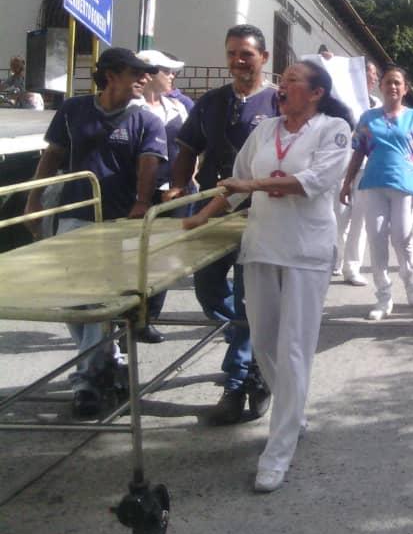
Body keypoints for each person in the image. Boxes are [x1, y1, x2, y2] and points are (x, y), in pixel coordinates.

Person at [184, 61, 351, 493]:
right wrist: (199, 217)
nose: (283, 85)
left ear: (316, 92)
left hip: (305, 251)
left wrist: (250, 187)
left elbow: (313, 180)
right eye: (284, 79)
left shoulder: (333, 129)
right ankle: (293, 415)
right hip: (261, 246)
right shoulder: (265, 130)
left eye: (294, 79)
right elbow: (233, 182)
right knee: (262, 342)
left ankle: (277, 451)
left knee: (295, 348)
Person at [23, 48, 167, 417]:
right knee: (75, 302)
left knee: (100, 304)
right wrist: (33, 200)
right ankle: (110, 361)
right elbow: (52, 155)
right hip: (74, 216)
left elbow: (150, 164)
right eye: (135, 72)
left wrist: (142, 201)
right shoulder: (74, 111)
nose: (144, 79)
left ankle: (86, 381)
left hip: (115, 223)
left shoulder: (146, 119)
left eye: (146, 73)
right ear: (111, 75)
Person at [167, 24, 277, 424]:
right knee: (209, 291)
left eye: (246, 54)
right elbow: (187, 148)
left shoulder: (279, 102)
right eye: (231, 53)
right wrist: (178, 185)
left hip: (260, 214)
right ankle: (257, 352)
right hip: (213, 211)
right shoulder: (211, 102)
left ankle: (237, 383)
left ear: (263, 57)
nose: (237, 61)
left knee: (249, 298)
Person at [340, 66, 413, 320]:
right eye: (387, 82)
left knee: (402, 236)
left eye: (397, 83)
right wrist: (346, 182)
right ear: (380, 87)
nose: (392, 87)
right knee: (377, 238)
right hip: (373, 183)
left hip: (405, 183)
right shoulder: (367, 118)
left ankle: (408, 278)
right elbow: (358, 152)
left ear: (405, 88)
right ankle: (383, 297)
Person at [132, 49, 191, 343]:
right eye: (167, 71)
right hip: (137, 194)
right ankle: (127, 318)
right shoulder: (132, 109)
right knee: (133, 255)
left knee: (165, 256)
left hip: (174, 192)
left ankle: (148, 318)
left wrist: (187, 180)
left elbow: (193, 145)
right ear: (151, 73)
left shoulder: (179, 107)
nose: (172, 77)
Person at [337, 58, 383, 285]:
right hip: (341, 165)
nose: (373, 79)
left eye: (375, 76)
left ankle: (351, 267)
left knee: (360, 220)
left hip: (367, 168)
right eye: (369, 74)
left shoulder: (377, 105)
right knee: (337, 217)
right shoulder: (340, 100)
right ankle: (334, 261)